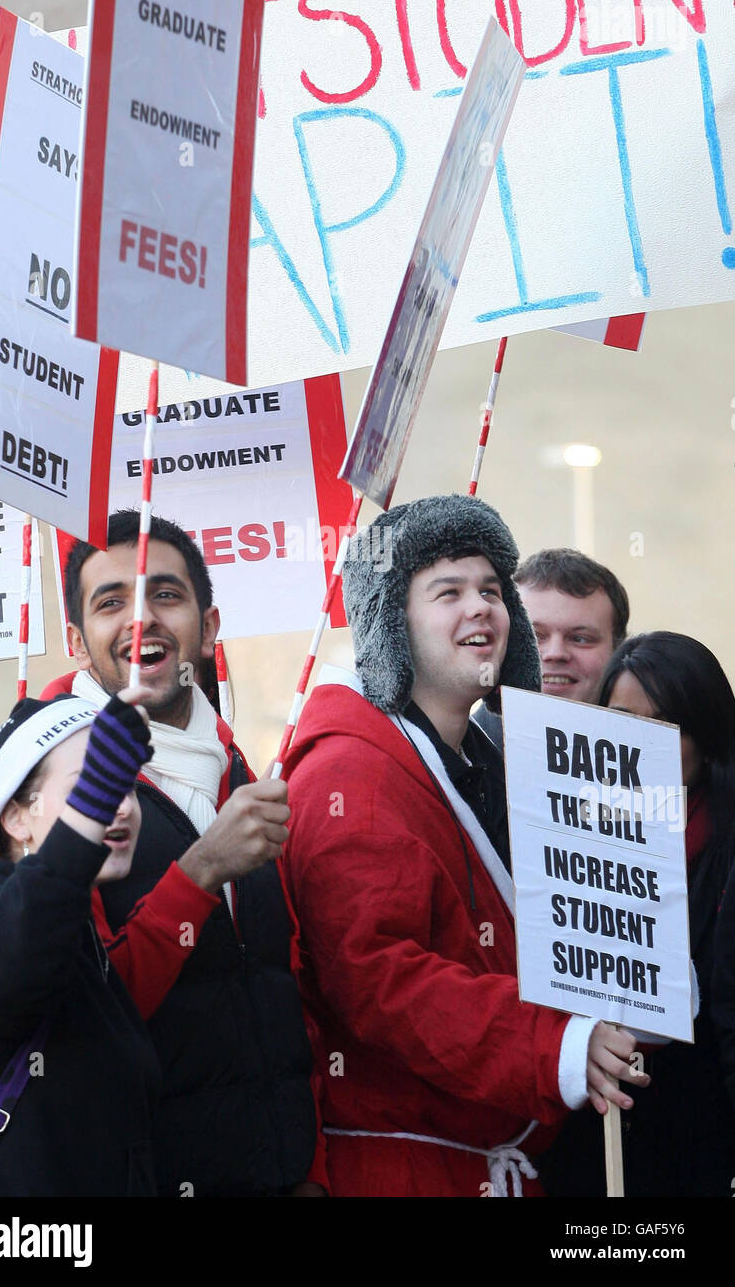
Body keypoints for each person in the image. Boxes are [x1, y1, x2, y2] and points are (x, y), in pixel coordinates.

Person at [283, 494, 648, 1198]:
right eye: (446, 592)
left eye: (490, 589)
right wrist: (555, 1045)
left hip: (487, 1167)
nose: (479, 608)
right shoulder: (348, 771)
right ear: (391, 620)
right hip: (401, 1176)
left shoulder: (487, 756)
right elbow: (377, 979)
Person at [54, 509, 326, 1198]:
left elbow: (281, 980)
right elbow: (90, 1017)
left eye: (165, 596)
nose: (140, 621)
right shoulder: (49, 784)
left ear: (207, 629)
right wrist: (202, 870)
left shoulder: (234, 764)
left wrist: (311, 1168)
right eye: (111, 602)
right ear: (77, 644)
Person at [0, 689, 163, 1195]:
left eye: (125, 786)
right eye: (91, 786)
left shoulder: (77, 929)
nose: (120, 805)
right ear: (16, 817)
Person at [542, 631, 735, 1197]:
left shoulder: (724, 847)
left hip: (703, 1144)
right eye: (626, 721)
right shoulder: (566, 837)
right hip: (590, 1136)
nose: (645, 744)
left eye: (667, 725)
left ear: (705, 735)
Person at [474, 548, 630, 751]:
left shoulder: (656, 762)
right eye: (534, 635)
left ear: (619, 651)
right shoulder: (454, 758)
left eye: (580, 639)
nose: (555, 653)